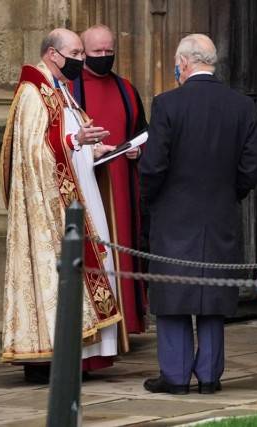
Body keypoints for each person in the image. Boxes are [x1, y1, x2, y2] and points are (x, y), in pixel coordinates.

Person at [0, 28, 127, 383]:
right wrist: (75, 140)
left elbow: (69, 143)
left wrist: (93, 148)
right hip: (50, 213)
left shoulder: (61, 92)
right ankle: (50, 360)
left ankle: (84, 357)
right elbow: (31, 153)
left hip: (78, 197)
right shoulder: (31, 92)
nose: (82, 60)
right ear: (53, 54)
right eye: (76, 54)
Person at [139, 34, 257, 395]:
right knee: (212, 294)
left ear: (183, 62)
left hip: (174, 214)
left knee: (174, 295)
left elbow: (153, 166)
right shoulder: (240, 106)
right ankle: (209, 376)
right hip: (220, 212)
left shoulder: (167, 104)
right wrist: (231, 194)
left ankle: (175, 376)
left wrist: (150, 200)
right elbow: (251, 167)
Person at [73, 24, 148, 335]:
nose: (104, 57)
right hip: (90, 186)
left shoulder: (127, 89)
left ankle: (127, 322)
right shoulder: (70, 89)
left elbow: (143, 132)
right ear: (83, 53)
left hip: (123, 187)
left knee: (124, 249)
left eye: (109, 51)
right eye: (96, 52)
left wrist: (138, 152)